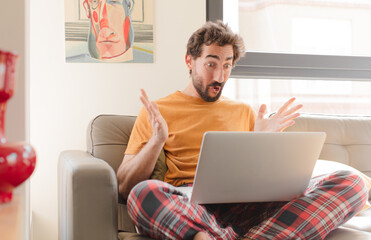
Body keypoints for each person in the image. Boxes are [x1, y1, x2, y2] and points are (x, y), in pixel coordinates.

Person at [116, 21, 369, 240]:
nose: (220, 76)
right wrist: (157, 140)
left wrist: (263, 143)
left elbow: (266, 180)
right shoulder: (157, 111)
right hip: (193, 207)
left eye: (227, 65)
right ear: (190, 61)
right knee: (143, 194)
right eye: (211, 64)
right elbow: (125, 187)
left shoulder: (243, 111)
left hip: (250, 206)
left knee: (353, 183)